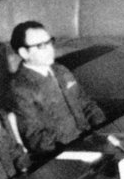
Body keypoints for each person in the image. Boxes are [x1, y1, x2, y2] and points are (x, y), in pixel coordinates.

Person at [8, 21, 106, 156]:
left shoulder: (61, 70)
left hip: (92, 139)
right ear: (24, 53)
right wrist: (76, 150)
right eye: (41, 46)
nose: (50, 49)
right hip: (66, 152)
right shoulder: (20, 88)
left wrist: (103, 130)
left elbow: (87, 104)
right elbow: (37, 138)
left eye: (49, 42)